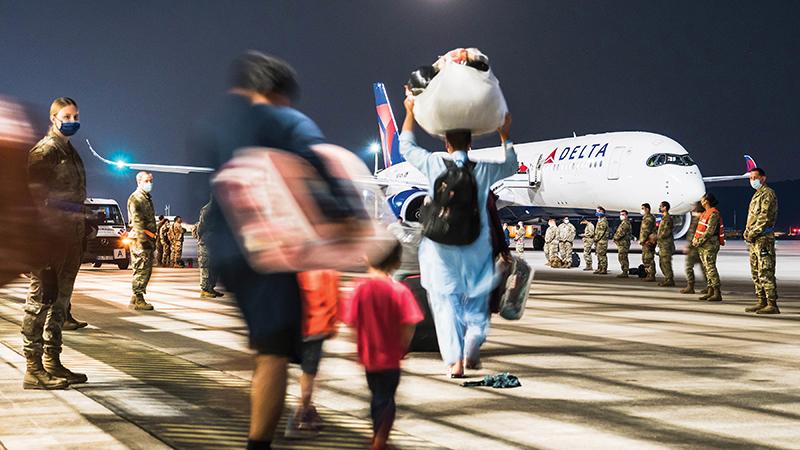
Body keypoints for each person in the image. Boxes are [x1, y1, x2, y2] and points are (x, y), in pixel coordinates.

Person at [194, 51, 355, 450]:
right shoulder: (283, 120)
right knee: (274, 354)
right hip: (269, 252)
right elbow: (317, 168)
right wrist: (345, 217)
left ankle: (252, 393)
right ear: (274, 90)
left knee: (262, 342)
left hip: (226, 251)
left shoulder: (213, 122)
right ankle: (258, 443)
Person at [400, 90, 516, 378]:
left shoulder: (434, 164)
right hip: (476, 247)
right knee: (475, 301)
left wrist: (410, 112)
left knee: (444, 305)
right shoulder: (483, 171)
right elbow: (511, 165)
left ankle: (455, 361)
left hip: (440, 250)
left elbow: (405, 146)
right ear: (471, 142)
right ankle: (473, 342)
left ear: (446, 143)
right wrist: (505, 135)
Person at [22, 96, 88, 389]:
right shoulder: (45, 152)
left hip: (71, 237)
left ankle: (52, 360)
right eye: (67, 116)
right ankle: (33, 368)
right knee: (40, 301)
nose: (73, 121)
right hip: (50, 238)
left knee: (60, 303)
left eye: (76, 116)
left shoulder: (71, 152)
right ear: (53, 118)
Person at [343, 243, 422, 450]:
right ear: (397, 262)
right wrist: (403, 345)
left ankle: (377, 435)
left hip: (368, 356)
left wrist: (356, 344)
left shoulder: (359, 288)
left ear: (367, 259)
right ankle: (380, 441)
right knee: (387, 399)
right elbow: (410, 322)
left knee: (376, 395)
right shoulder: (398, 290)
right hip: (391, 356)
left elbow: (351, 321)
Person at [285, 270, 340, 439]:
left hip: (295, 328)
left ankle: (307, 410)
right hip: (316, 328)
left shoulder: (295, 270)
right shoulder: (327, 272)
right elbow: (332, 302)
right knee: (309, 374)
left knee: (304, 372)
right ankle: (299, 418)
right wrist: (332, 325)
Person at [743, 167, 780, 314]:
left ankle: (772, 303)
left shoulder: (768, 194)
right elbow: (752, 218)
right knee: (756, 271)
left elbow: (764, 218)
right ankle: (761, 301)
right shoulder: (757, 195)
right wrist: (747, 232)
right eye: (750, 178)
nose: (752, 180)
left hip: (763, 238)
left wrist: (752, 232)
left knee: (766, 270)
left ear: (763, 178)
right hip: (754, 240)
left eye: (755, 177)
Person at [127, 171, 157, 311]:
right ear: (139, 182)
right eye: (147, 180)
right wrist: (143, 239)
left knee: (145, 268)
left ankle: (135, 296)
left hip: (147, 238)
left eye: (151, 180)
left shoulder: (146, 198)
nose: (149, 183)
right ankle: (139, 299)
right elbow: (137, 220)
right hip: (140, 239)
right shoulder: (136, 198)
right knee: (141, 269)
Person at [692, 193, 723, 302]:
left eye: (702, 199)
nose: (701, 201)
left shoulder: (713, 214)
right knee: (706, 268)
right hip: (703, 245)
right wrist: (695, 240)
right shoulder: (705, 213)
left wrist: (698, 241)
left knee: (710, 268)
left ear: (706, 201)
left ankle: (717, 292)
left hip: (710, 244)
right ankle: (710, 291)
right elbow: (699, 230)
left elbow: (710, 231)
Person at [197, 202, 223, 298]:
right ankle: (204, 290)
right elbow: (201, 228)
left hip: (215, 242)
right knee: (206, 266)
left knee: (214, 266)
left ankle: (210, 287)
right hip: (207, 241)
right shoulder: (207, 209)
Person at [681, 202, 706, 294]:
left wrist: (688, 246)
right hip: (702, 248)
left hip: (694, 249)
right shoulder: (704, 219)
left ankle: (690, 286)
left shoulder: (697, 220)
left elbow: (693, 234)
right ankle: (710, 286)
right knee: (704, 268)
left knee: (688, 267)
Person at [657, 201, 675, 287]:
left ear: (665, 208)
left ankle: (669, 280)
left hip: (666, 245)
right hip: (662, 245)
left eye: (661, 206)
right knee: (662, 263)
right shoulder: (664, 218)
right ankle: (667, 279)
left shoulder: (667, 218)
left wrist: (656, 237)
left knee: (666, 263)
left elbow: (666, 232)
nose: (659, 208)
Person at [639, 203, 657, 282]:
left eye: (643, 208)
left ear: (647, 209)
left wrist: (642, 240)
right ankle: (649, 274)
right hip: (648, 240)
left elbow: (646, 230)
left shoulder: (648, 218)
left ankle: (651, 275)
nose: (642, 210)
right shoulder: (647, 217)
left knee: (648, 258)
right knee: (647, 258)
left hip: (648, 241)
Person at [613, 210, 633, 277]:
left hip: (624, 243)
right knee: (622, 257)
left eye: (623, 214)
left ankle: (625, 272)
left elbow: (621, 233)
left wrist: (615, 238)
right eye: (621, 214)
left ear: (626, 215)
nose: (621, 216)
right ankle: (624, 271)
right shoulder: (624, 223)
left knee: (623, 257)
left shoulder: (625, 223)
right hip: (622, 243)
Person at [593, 207, 609, 274]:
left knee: (602, 255)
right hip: (599, 241)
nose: (597, 212)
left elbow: (601, 232)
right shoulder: (599, 220)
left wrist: (595, 238)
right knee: (599, 255)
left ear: (602, 211)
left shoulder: (603, 221)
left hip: (602, 241)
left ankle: (603, 269)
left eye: (598, 211)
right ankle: (599, 268)